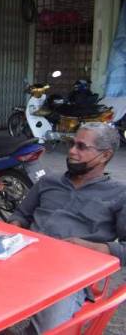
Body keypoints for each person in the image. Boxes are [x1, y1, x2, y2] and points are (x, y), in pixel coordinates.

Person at [8, 122, 126, 334]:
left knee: (51, 329)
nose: (71, 151)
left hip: (69, 275)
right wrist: (15, 233)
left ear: (105, 155)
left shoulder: (119, 194)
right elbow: (20, 215)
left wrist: (92, 247)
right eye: (72, 144)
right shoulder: (48, 182)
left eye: (81, 147)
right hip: (22, 258)